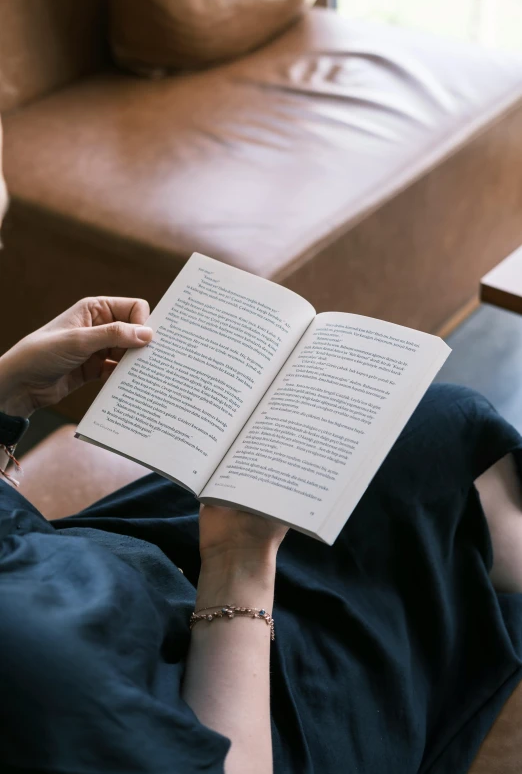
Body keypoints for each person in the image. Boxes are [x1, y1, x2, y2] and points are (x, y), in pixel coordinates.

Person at [1, 120, 522, 774]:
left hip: (96, 578)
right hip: (229, 697)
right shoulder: (33, 678)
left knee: (438, 426)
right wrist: (238, 558)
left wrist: (7, 394)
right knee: (446, 486)